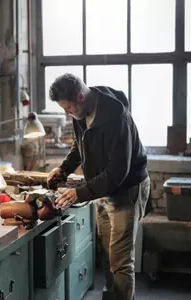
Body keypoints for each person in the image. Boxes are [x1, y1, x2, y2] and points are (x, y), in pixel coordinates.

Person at [47, 73, 151, 300]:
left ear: (82, 97)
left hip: (127, 188)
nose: (67, 113)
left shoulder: (116, 119)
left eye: (69, 108)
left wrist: (79, 193)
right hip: (102, 188)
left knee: (121, 262)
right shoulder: (80, 112)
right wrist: (64, 169)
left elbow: (117, 172)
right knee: (107, 253)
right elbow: (80, 145)